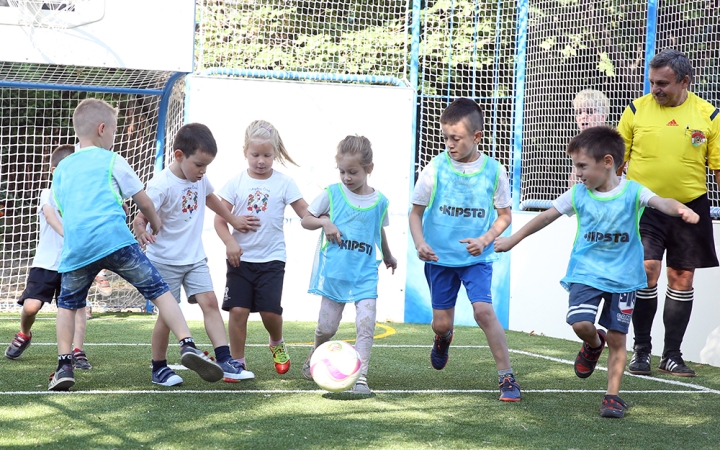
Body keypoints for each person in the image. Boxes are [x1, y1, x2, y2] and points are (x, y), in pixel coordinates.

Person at [495, 126, 699, 418]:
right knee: (580, 323)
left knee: (618, 338)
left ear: (607, 162)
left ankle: (612, 396)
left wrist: (679, 209)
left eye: (582, 166)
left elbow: (660, 202)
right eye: (575, 166)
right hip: (586, 274)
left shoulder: (632, 191)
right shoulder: (578, 194)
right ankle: (592, 344)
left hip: (625, 278)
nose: (577, 173)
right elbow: (545, 217)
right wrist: (513, 240)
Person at [48, 98, 222, 391]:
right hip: (116, 241)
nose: (115, 136)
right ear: (102, 129)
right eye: (115, 131)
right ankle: (187, 344)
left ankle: (64, 364)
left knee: (67, 305)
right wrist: (154, 221)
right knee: (161, 292)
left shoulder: (63, 168)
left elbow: (62, 208)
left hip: (78, 246)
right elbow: (143, 200)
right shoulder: (112, 160)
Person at [408, 98, 521, 402]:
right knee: (441, 322)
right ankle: (443, 337)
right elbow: (415, 213)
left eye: (456, 138)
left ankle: (506, 377)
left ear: (477, 137)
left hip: (476, 259)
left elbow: (505, 216)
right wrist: (420, 243)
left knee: (484, 312)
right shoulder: (435, 167)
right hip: (440, 259)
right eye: (445, 137)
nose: (449, 143)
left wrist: (485, 240)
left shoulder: (495, 171)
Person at [618, 49, 720, 377]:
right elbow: (615, 161)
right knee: (647, 271)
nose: (655, 89)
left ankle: (672, 354)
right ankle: (642, 350)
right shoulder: (635, 110)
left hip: (690, 208)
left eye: (663, 83)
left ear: (685, 81)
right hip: (644, 206)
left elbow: (718, 167)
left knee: (682, 277)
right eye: (652, 82)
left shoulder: (710, 115)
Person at [133, 123, 256, 386]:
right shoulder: (161, 185)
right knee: (168, 317)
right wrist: (142, 230)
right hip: (164, 260)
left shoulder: (200, 178)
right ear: (179, 156)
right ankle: (159, 368)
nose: (203, 172)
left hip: (194, 258)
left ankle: (225, 360)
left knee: (210, 302)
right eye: (199, 165)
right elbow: (140, 217)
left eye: (207, 166)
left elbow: (210, 197)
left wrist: (232, 219)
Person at [299, 135, 397, 395]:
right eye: (342, 171)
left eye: (352, 172)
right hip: (335, 274)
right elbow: (306, 219)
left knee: (366, 325)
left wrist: (388, 255)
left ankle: (361, 378)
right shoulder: (331, 194)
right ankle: (314, 354)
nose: (346, 177)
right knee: (326, 328)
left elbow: (378, 230)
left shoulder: (380, 201)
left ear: (369, 169)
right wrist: (324, 222)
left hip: (365, 275)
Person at [214, 120, 309, 376]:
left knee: (270, 312)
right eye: (255, 154)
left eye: (267, 155)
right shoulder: (235, 183)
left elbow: (306, 213)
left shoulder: (285, 183)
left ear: (275, 153)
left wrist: (325, 215)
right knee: (238, 311)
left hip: (272, 260)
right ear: (245, 151)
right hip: (240, 260)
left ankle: (276, 343)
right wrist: (230, 242)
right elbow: (220, 220)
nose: (261, 160)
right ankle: (237, 362)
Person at [4, 145, 92, 371]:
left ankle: (77, 351)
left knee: (77, 307)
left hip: (74, 263)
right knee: (31, 307)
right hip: (46, 263)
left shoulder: (85, 197)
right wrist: (69, 235)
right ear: (54, 171)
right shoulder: (48, 194)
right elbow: (52, 217)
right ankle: (24, 334)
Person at [570, 89, 610, 185]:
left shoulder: (612, 142)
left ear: (603, 117)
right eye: (579, 112)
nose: (583, 116)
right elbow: (572, 184)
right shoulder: (578, 145)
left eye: (589, 111)